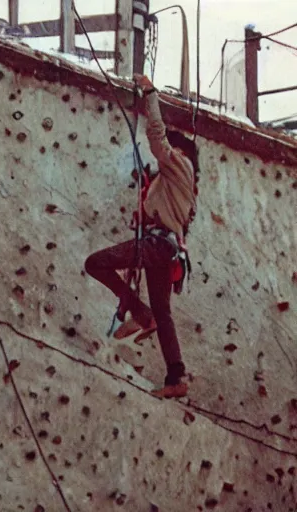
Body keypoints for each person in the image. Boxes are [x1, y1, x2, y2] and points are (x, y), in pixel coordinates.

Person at [83, 74, 198, 399]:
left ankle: (139, 312)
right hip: (166, 249)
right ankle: (176, 377)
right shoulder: (177, 183)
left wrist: (150, 93)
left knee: (96, 263)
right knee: (164, 312)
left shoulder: (179, 163)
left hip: (159, 245)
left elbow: (157, 137)